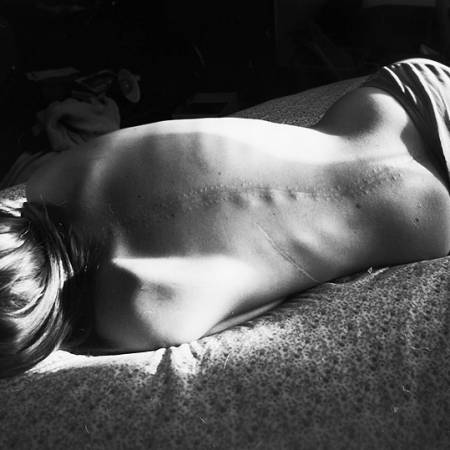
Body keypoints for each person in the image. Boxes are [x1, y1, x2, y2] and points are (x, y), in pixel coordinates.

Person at [1, 57, 450, 379]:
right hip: (405, 96)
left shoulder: (130, 312)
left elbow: (272, 300)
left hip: (426, 210)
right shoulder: (53, 177)